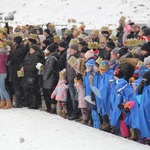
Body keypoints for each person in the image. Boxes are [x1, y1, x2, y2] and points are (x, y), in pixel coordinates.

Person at [21, 44, 41, 109]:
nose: (30, 50)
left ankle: (34, 104)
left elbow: (34, 67)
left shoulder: (37, 57)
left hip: (33, 75)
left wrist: (25, 68)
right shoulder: (28, 55)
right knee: (27, 89)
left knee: (33, 90)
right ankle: (29, 102)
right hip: (27, 74)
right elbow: (24, 62)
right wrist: (22, 67)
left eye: (31, 49)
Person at [43, 43, 59, 113]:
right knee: (49, 93)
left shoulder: (52, 58)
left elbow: (50, 68)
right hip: (50, 78)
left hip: (50, 78)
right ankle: (50, 108)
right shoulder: (50, 57)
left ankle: (52, 108)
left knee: (50, 94)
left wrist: (45, 76)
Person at [8, 35, 24, 108]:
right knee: (15, 86)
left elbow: (14, 58)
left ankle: (19, 102)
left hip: (16, 69)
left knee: (16, 86)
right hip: (14, 69)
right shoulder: (18, 49)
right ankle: (17, 101)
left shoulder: (19, 50)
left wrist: (10, 51)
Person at [0, 40, 12, 109]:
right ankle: (3, 101)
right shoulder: (4, 54)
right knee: (0, 88)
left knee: (2, 88)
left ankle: (8, 101)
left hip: (2, 72)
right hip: (2, 72)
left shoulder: (2, 55)